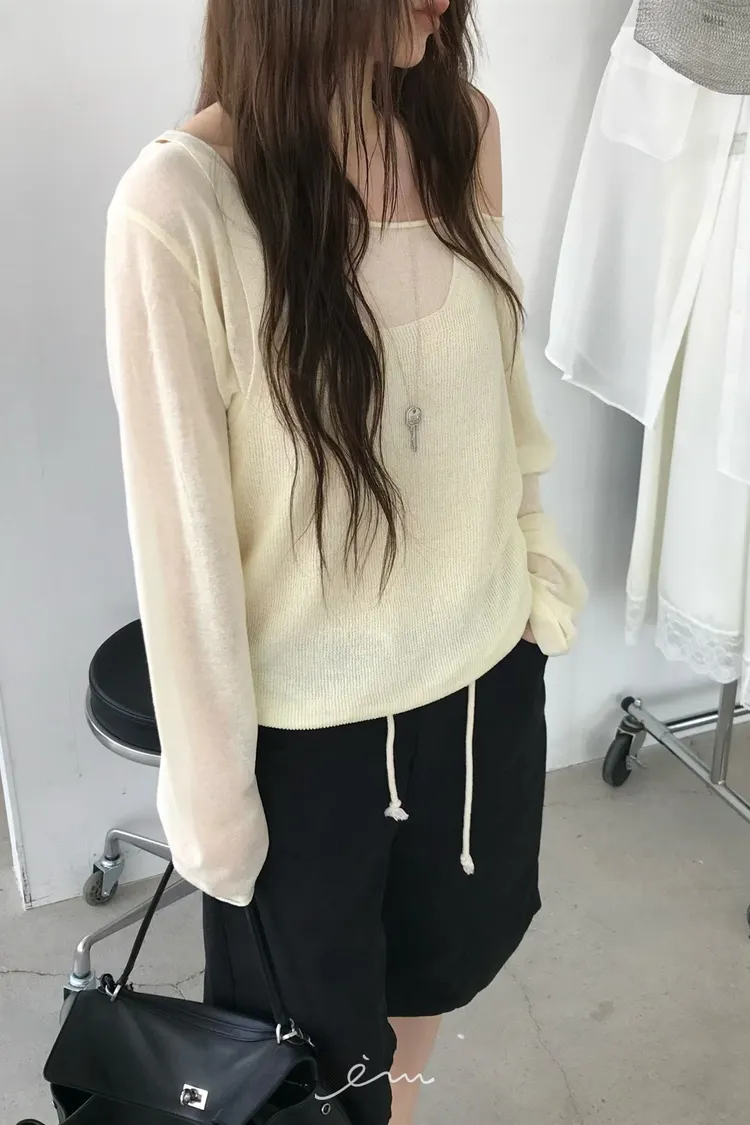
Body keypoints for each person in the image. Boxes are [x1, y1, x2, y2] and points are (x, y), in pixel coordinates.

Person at [104, 1, 586, 1122]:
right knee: (311, 1079)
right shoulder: (179, 207)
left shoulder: (462, 127)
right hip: (306, 750)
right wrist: (217, 810)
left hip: (480, 689)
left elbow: (498, 395)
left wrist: (537, 576)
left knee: (423, 996)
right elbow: (180, 546)